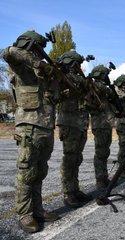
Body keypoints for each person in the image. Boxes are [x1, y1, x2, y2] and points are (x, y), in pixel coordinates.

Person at [3, 30, 60, 233]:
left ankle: (38, 209)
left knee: (40, 172)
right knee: (27, 173)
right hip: (28, 126)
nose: (40, 54)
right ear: (30, 47)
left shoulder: (42, 73)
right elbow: (8, 52)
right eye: (37, 49)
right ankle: (25, 214)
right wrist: (38, 62)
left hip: (46, 126)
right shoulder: (20, 64)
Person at [56, 50, 92, 208]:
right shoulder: (63, 76)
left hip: (81, 123)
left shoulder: (79, 79)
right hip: (69, 123)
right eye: (78, 64)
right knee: (69, 159)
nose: (80, 67)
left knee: (77, 158)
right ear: (72, 63)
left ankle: (75, 189)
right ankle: (67, 192)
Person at [88, 65, 115, 189]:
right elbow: (105, 90)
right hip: (99, 124)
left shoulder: (101, 88)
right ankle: (100, 180)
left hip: (106, 124)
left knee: (105, 152)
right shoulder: (94, 86)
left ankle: (104, 177)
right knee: (100, 153)